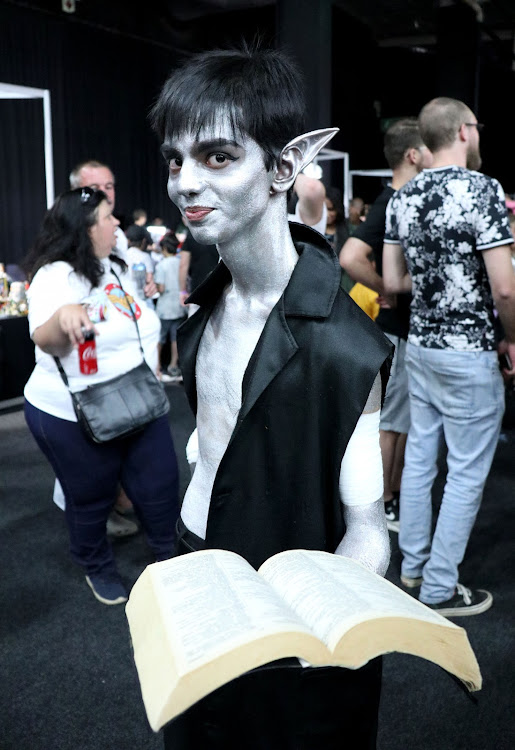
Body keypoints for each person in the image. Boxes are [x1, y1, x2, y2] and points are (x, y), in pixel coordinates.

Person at [151, 45, 393, 749]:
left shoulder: (343, 346)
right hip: (196, 569)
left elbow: (367, 526)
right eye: (176, 159)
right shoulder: (208, 310)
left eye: (218, 157)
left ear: (281, 169)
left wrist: (310, 626)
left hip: (292, 617)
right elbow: (213, 445)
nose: (185, 183)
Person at [383, 97, 515, 616]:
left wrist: (441, 282)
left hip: (421, 346)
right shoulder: (483, 190)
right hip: (468, 351)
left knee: (419, 461)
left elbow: (393, 283)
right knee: (463, 472)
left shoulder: (402, 196)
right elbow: (504, 289)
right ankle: (439, 588)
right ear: (464, 131)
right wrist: (512, 337)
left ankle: (413, 570)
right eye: (476, 128)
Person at [23, 187, 179, 605]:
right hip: (71, 413)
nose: (116, 223)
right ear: (83, 228)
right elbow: (45, 336)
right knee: (91, 498)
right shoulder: (55, 276)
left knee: (161, 484)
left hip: (137, 398)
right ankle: (97, 565)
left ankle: (171, 558)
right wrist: (64, 319)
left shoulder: (114, 265)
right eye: (107, 218)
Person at [340, 118, 433, 533]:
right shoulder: (393, 200)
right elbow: (350, 257)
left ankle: (390, 499)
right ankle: (383, 505)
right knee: (392, 423)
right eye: (429, 149)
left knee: (401, 421)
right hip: (397, 328)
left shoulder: (404, 199)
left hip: (406, 329)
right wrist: (388, 288)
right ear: (414, 155)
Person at [69, 160, 157, 533]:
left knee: (130, 444)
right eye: (95, 189)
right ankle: (100, 516)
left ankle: (120, 502)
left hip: (136, 368)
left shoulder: (117, 236)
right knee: (99, 453)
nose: (106, 194)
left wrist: (145, 290)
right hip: (99, 375)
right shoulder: (69, 250)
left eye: (110, 186)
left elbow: (124, 294)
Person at [154, 232, 186, 381]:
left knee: (159, 338)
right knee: (175, 339)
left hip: (164, 308)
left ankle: (157, 366)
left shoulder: (161, 265)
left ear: (164, 248)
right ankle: (173, 365)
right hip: (179, 307)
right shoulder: (181, 263)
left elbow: (160, 288)